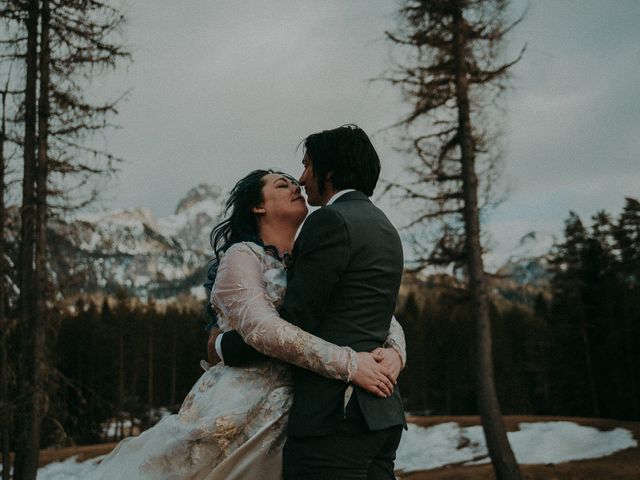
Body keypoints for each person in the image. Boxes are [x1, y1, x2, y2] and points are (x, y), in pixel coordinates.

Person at [83, 167, 406, 480]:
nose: (296, 185)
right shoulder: (243, 256)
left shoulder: (314, 255)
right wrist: (351, 363)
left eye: (295, 181)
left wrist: (395, 353)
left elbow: (372, 309)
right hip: (247, 407)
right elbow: (262, 330)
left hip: (303, 406)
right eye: (282, 185)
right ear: (258, 205)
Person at [216, 125, 406, 479]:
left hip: (332, 417)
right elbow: (374, 310)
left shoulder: (330, 221)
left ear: (328, 171)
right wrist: (396, 352)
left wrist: (225, 345)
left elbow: (296, 320)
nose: (301, 180)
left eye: (306, 166)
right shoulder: (385, 227)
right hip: (381, 416)